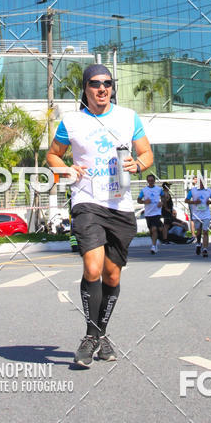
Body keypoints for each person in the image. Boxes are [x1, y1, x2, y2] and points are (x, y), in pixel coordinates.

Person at [47, 64, 153, 367]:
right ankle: (91, 337)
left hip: (119, 205)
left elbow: (147, 153)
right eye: (95, 84)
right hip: (86, 200)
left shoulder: (128, 117)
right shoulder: (73, 121)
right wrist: (65, 167)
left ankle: (99, 334)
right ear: (86, 88)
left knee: (112, 274)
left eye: (107, 83)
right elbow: (53, 154)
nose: (102, 89)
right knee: (92, 268)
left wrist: (139, 164)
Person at [185, 176, 211, 257]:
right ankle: (198, 243)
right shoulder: (193, 190)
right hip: (197, 215)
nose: (201, 184)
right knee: (198, 231)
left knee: (205, 231)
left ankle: (205, 249)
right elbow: (186, 200)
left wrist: (210, 202)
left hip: (206, 214)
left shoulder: (208, 190)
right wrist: (194, 202)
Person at [137, 173, 163, 254]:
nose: (151, 182)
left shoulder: (159, 189)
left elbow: (164, 197)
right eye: (149, 181)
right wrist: (144, 201)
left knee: (154, 229)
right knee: (151, 230)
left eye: (152, 180)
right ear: (147, 181)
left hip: (157, 212)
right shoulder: (144, 190)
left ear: (154, 181)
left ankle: (153, 246)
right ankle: (155, 243)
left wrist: (161, 202)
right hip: (148, 213)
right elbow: (138, 200)